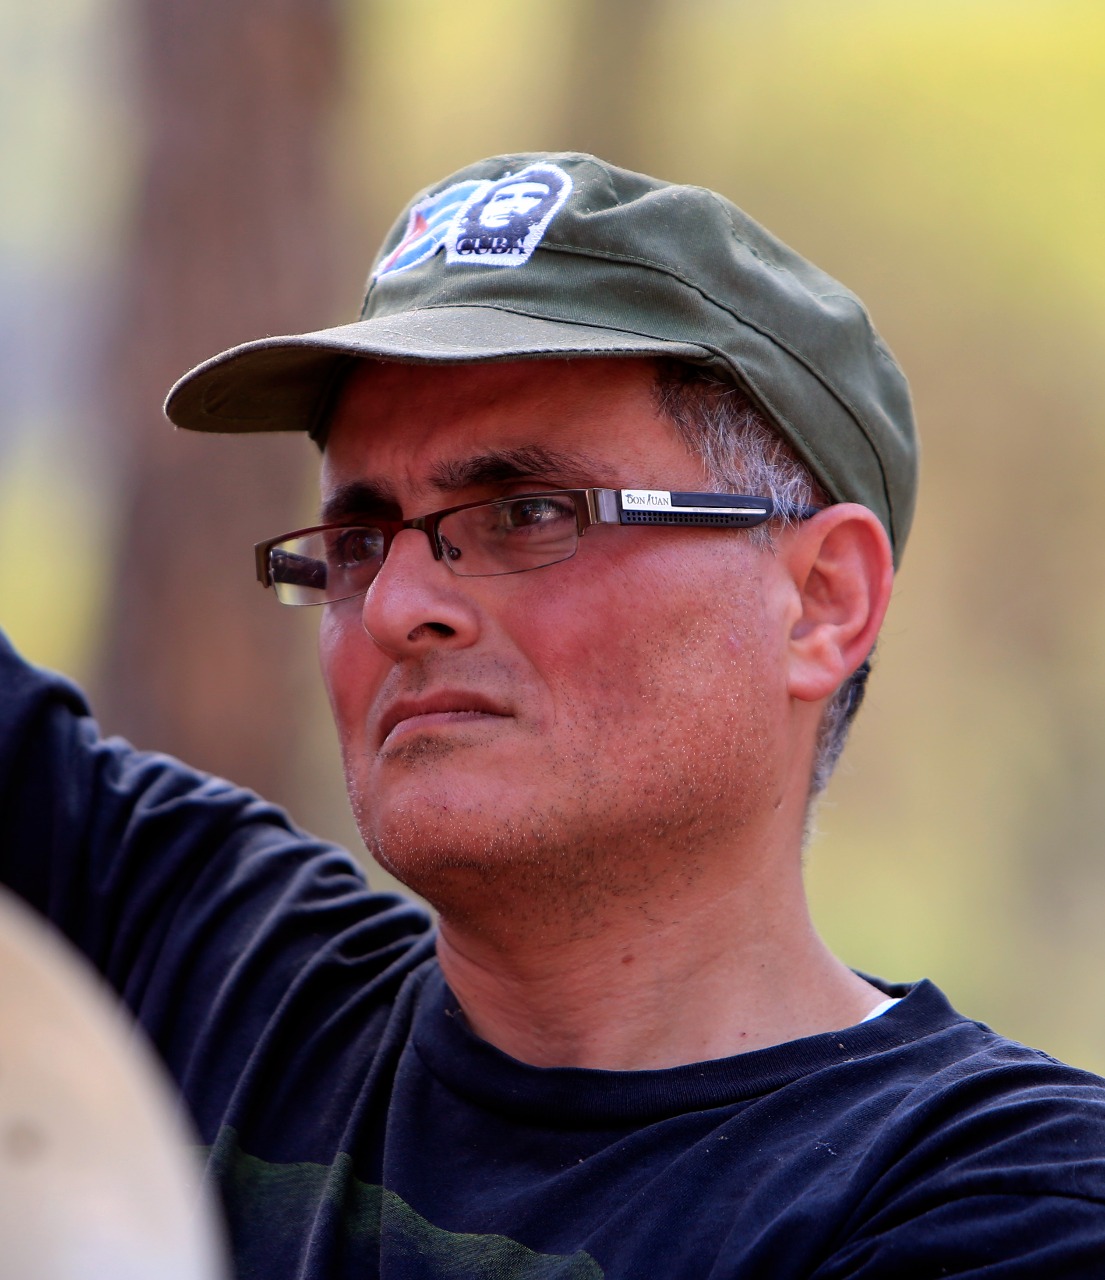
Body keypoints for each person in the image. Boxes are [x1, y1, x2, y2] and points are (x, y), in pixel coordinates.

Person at [3, 151, 1104, 1278]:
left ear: (821, 601)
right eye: (358, 539)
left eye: (527, 513)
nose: (394, 606)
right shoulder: (192, 980)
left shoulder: (1001, 1199)